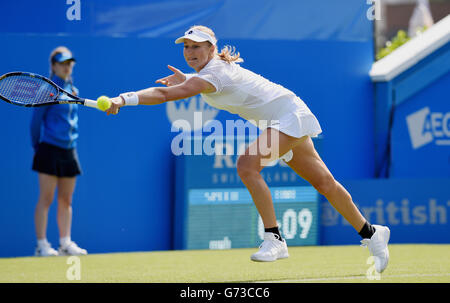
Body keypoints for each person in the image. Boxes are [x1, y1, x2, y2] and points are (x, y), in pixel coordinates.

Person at [106, 25, 390, 273]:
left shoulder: (212, 74)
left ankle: (274, 238)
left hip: (288, 114)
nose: (190, 52)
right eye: (187, 47)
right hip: (285, 113)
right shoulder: (206, 74)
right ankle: (372, 233)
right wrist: (189, 82)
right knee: (325, 183)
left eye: (197, 47)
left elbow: (165, 94)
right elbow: (193, 87)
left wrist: (124, 98)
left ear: (211, 48)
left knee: (247, 166)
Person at [30, 46, 87, 257]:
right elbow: (36, 122)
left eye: (69, 63)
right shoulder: (47, 90)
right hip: (48, 149)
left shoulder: (74, 90)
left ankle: (65, 243)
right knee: (46, 198)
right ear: (53, 66)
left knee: (66, 200)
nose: (66, 67)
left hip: (69, 150)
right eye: (62, 63)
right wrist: (38, 148)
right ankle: (42, 245)